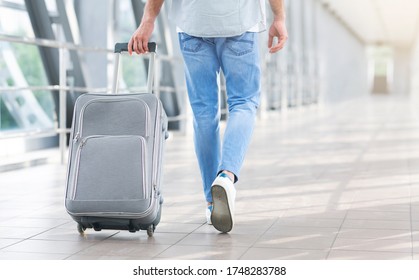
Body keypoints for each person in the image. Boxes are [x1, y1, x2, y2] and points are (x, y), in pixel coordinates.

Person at [129, 0, 288, 233]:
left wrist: (148, 20)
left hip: (193, 25)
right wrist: (279, 17)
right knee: (243, 104)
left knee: (204, 113)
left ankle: (211, 202)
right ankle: (226, 176)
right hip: (240, 23)